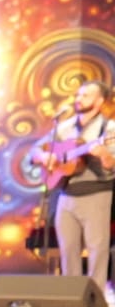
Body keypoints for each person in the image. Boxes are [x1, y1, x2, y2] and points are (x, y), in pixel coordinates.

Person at [37, 79, 113, 291]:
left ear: (99, 101)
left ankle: (95, 298)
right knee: (68, 250)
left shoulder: (109, 129)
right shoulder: (64, 127)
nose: (79, 99)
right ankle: (71, 297)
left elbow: (112, 164)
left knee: (97, 249)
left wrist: (104, 155)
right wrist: (44, 157)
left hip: (96, 193)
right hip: (66, 194)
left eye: (86, 95)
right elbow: (35, 150)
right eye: (79, 95)